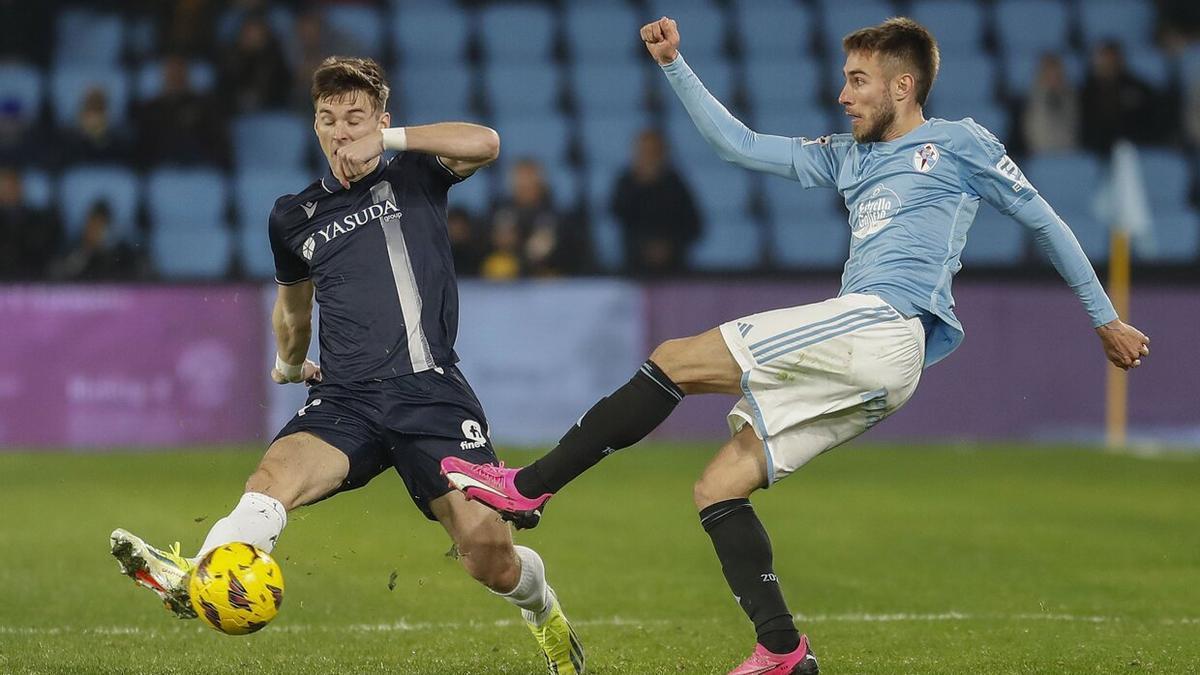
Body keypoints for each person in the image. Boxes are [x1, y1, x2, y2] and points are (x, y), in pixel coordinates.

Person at [441, 17, 1151, 675]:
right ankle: (783, 649)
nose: (842, 94)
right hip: (873, 358)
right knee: (718, 487)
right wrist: (674, 64)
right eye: (844, 78)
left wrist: (1105, 316)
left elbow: (1044, 218)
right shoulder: (848, 158)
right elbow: (739, 145)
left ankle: (528, 487)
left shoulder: (959, 143)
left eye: (859, 80)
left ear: (904, 86)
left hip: (884, 322)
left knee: (674, 358)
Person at [110, 56, 584, 675]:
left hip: (430, 394)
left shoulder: (415, 172)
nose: (342, 130)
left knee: (488, 558)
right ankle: (197, 577)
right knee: (269, 484)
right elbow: (293, 313)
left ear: (382, 120)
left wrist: (385, 141)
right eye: (329, 119)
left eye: (356, 117)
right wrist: (286, 365)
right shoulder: (293, 215)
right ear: (314, 126)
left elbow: (486, 143)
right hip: (347, 400)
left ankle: (541, 607)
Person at [611, 129, 701, 276]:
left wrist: (669, 247)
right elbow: (618, 214)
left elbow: (694, 225)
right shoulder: (626, 182)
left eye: (653, 152)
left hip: (674, 268)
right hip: (634, 267)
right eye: (644, 151)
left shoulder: (675, 184)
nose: (649, 157)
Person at [1021, 53, 1079, 154]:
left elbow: (1074, 129)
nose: (1053, 78)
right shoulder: (1030, 100)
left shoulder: (1072, 99)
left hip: (1068, 153)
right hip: (1038, 153)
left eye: (1056, 74)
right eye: (1049, 74)